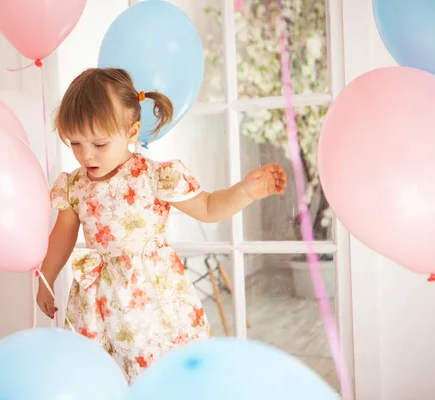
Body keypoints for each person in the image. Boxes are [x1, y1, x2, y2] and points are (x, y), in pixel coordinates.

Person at [36, 67, 287, 382]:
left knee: (156, 368)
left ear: (131, 132)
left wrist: (246, 191)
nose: (86, 155)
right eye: (75, 143)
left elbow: (208, 207)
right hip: (96, 297)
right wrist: (46, 278)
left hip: (150, 294)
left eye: (99, 144)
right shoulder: (73, 185)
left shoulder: (153, 176)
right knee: (98, 371)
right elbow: (62, 236)